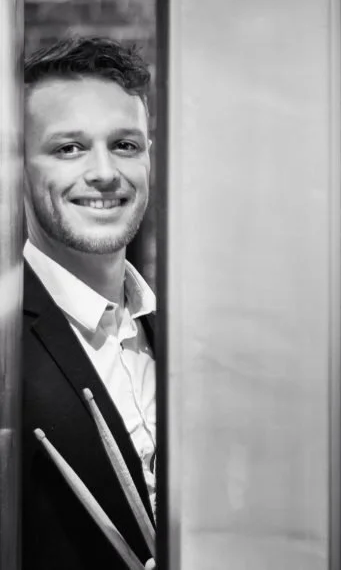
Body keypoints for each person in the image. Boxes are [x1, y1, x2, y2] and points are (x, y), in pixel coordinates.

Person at [21, 37, 157, 569]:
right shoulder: (5, 341)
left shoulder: (181, 335)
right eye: (68, 148)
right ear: (16, 167)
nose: (104, 172)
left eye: (125, 145)